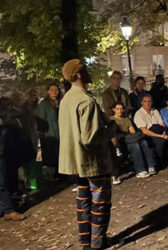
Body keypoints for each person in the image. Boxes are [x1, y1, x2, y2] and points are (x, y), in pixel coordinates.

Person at [59, 59, 117, 249]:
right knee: (100, 203)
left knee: (83, 202)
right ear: (79, 74)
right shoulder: (86, 101)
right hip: (93, 161)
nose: (89, 72)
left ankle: (86, 242)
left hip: (77, 161)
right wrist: (112, 129)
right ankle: (98, 243)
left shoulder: (67, 99)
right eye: (86, 69)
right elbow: (91, 138)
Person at [112, 102, 157, 178]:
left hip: (129, 138)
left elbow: (132, 131)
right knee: (135, 146)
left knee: (144, 142)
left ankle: (150, 166)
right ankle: (140, 170)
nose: (120, 111)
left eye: (121, 109)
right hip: (121, 142)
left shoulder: (126, 119)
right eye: (117, 109)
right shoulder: (112, 120)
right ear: (114, 110)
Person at [134, 94, 168, 163]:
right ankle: (160, 162)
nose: (147, 103)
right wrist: (160, 136)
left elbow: (161, 124)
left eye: (149, 101)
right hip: (149, 134)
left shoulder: (155, 111)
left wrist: (164, 133)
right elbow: (145, 131)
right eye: (145, 101)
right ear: (142, 102)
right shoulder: (138, 114)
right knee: (160, 141)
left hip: (160, 130)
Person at [0, 95, 26, 221]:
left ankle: (7, 209)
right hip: (4, 149)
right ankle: (7, 210)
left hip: (5, 150)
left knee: (4, 180)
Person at [36, 84, 62, 180]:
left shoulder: (61, 102)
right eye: (52, 89)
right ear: (48, 91)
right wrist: (42, 133)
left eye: (56, 89)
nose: (54, 91)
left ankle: (61, 174)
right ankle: (53, 175)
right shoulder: (44, 104)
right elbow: (41, 119)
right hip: (49, 134)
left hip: (60, 133)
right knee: (52, 155)